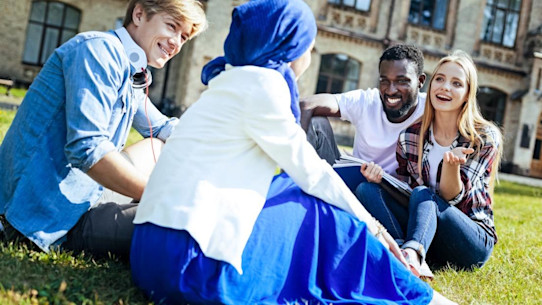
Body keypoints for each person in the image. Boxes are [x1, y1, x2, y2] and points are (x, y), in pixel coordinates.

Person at [130, 1, 455, 304]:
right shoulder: (264, 85)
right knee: (320, 209)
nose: (309, 55)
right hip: (192, 267)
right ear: (290, 46)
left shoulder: (228, 80)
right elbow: (312, 174)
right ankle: (415, 295)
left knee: (287, 188)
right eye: (309, 47)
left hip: (148, 256)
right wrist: (376, 228)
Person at [0, 0, 207, 258]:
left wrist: (219, 151)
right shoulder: (98, 51)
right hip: (44, 216)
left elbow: (163, 127)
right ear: (139, 14)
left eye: (184, 36)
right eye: (172, 26)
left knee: (159, 146)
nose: (176, 42)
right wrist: (159, 195)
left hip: (86, 191)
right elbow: (88, 150)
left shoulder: (129, 66)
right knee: (194, 223)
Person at [356, 51, 502, 279]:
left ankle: (412, 253)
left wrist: (451, 167)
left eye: (456, 83)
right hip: (429, 235)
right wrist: (382, 180)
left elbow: (452, 199)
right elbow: (405, 193)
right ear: (430, 85)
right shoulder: (410, 136)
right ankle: (404, 251)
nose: (445, 87)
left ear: (467, 94)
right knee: (367, 190)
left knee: (426, 195)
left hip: (470, 240)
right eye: (440, 79)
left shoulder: (482, 137)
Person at [300, 44, 426, 171]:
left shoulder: (431, 108)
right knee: (316, 122)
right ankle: (289, 184)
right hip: (355, 179)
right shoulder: (367, 101)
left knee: (366, 189)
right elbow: (307, 104)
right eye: (384, 81)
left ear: (420, 81)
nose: (391, 90)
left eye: (402, 81)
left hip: (393, 189)